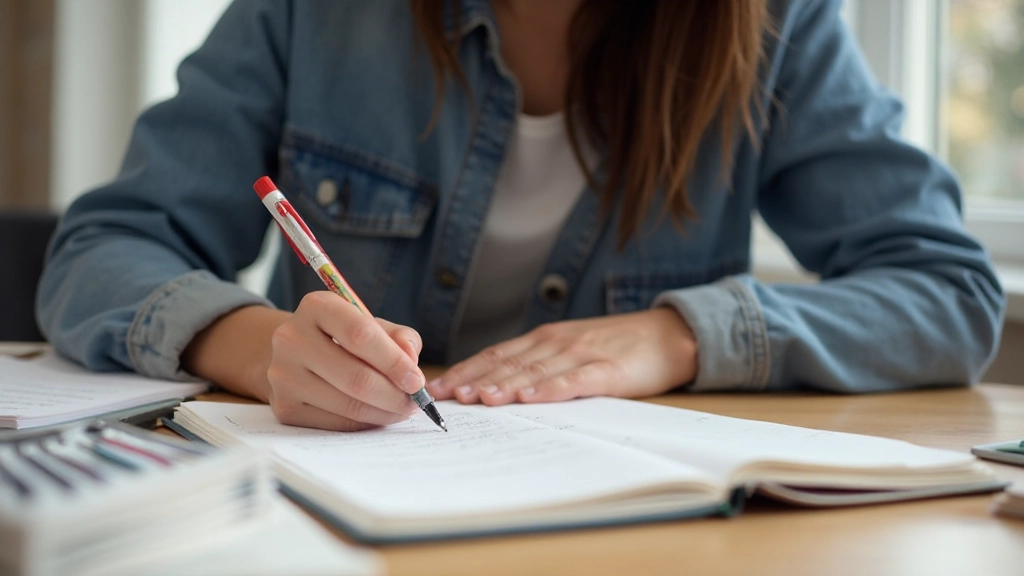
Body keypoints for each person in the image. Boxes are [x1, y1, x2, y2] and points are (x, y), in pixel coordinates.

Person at [38, 0, 1005, 432]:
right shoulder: (311, 12)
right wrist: (254, 346)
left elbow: (947, 292)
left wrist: (676, 338)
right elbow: (98, 252)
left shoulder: (777, 22)